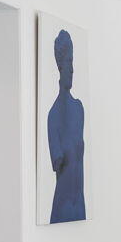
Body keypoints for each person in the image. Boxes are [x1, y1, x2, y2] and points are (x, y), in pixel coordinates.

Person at [47, 28, 86, 223]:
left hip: (80, 207)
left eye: (73, 63)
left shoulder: (79, 109)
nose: (71, 69)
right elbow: (57, 161)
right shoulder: (53, 116)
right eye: (68, 63)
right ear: (59, 66)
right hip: (63, 210)